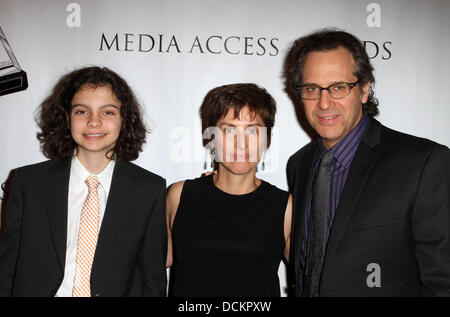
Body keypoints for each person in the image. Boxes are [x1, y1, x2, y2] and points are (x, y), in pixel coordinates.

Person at [283, 29, 450, 297]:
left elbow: (442, 282)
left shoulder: (423, 163)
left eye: (339, 87)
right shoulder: (299, 164)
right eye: (312, 89)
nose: (324, 103)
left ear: (363, 90)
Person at [0, 66, 167, 297]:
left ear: (124, 119)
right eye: (81, 111)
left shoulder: (149, 189)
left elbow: (152, 278)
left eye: (108, 112)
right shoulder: (28, 183)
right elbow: (7, 268)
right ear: (67, 118)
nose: (93, 122)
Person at [166, 83, 292, 297]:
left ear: (268, 141)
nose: (240, 143)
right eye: (229, 130)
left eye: (252, 131)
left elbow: (314, 275)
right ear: (212, 138)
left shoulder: (286, 207)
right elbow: (151, 262)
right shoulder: (179, 195)